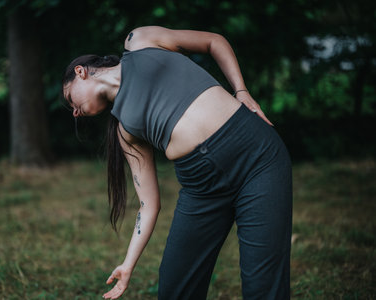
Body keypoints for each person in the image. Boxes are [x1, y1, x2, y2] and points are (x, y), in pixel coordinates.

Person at [62, 26, 292, 300]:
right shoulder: (125, 132)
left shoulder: (140, 41)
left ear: (80, 72)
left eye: (70, 100)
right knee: (175, 286)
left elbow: (213, 41)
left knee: (263, 285)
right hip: (202, 188)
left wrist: (241, 91)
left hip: (257, 159)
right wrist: (128, 264)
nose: (75, 113)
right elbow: (148, 205)